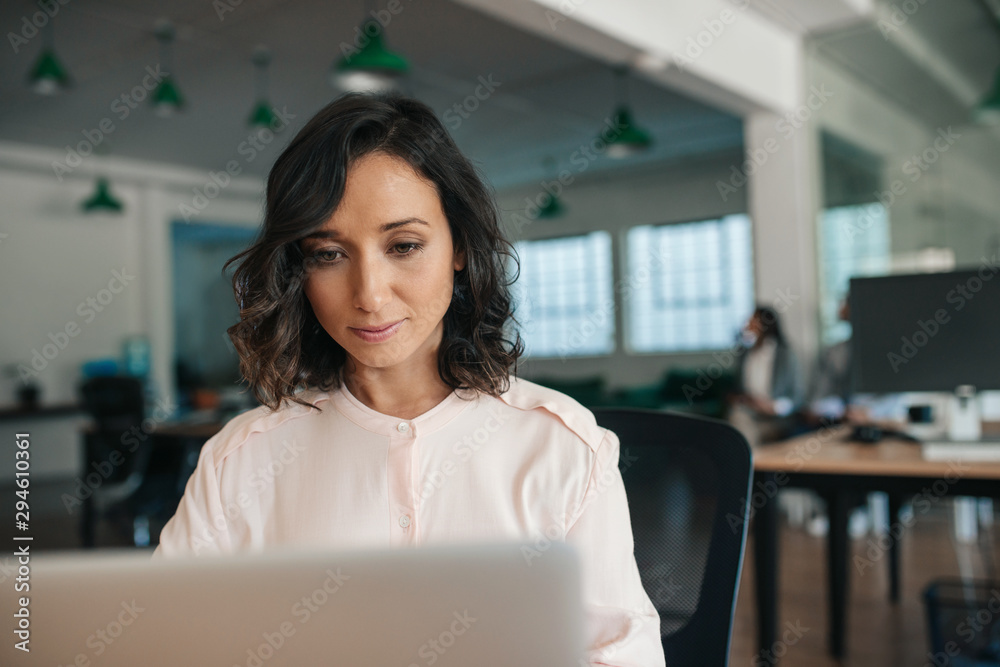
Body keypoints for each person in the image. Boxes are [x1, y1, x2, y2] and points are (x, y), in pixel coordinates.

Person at [152, 91, 664, 667]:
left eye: (404, 245)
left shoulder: (562, 448)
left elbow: (619, 654)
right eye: (328, 253)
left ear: (460, 249)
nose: (369, 295)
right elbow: (168, 643)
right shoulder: (238, 462)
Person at [726, 305, 805, 447]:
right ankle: (752, 464)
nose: (748, 324)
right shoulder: (745, 353)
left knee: (745, 434)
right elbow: (737, 388)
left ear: (765, 324)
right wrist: (742, 399)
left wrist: (774, 407)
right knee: (739, 419)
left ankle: (750, 465)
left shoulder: (785, 355)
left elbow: (797, 396)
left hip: (775, 416)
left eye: (753, 320)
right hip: (749, 411)